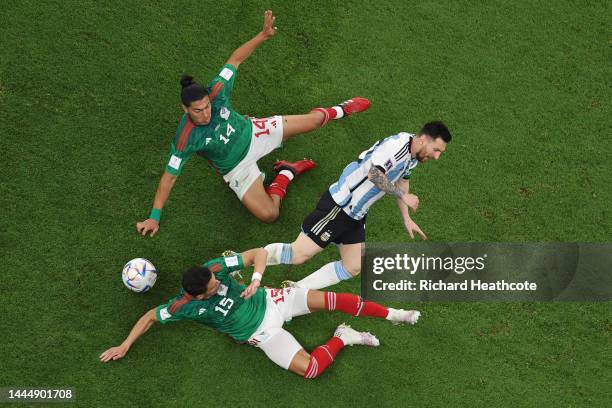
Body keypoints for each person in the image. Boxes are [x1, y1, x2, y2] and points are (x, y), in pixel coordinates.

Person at [136, 10, 370, 236]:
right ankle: (286, 173)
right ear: (185, 109)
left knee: (315, 121)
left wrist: (263, 35)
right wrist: (154, 216)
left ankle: (343, 109)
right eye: (198, 111)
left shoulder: (217, 91)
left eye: (207, 106)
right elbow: (170, 177)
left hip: (256, 132)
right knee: (269, 214)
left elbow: (235, 60)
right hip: (237, 168)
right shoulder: (185, 139)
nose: (206, 113)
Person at [100, 249, 420, 378]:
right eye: (212, 288)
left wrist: (255, 280)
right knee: (310, 370)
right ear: (197, 295)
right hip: (263, 335)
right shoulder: (182, 307)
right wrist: (125, 345)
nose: (218, 285)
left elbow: (258, 254)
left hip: (273, 300)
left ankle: (395, 314)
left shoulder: (214, 269)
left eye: (216, 281)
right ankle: (344, 337)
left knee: (337, 300)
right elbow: (150, 317)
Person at [264, 121, 452, 289]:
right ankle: (238, 260)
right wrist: (402, 196)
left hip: (356, 214)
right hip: (340, 206)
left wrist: (407, 218)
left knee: (353, 266)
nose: (437, 157)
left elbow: (402, 182)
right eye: (436, 150)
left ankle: (294, 290)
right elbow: (374, 175)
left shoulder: (413, 155)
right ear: (423, 140)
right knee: (297, 254)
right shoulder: (396, 147)